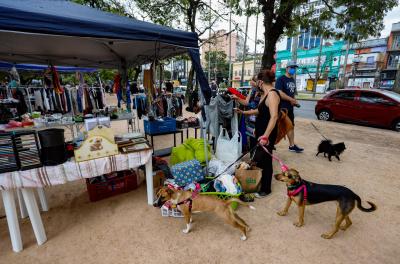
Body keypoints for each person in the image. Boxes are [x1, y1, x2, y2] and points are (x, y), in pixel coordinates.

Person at [235, 70, 280, 198]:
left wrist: (265, 135)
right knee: (259, 159)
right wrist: (244, 113)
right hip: (260, 132)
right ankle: (259, 183)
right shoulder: (265, 94)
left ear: (260, 82)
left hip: (267, 134)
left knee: (266, 160)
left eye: (257, 82)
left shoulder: (272, 94)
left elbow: (274, 116)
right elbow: (259, 112)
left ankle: (266, 189)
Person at [275, 61, 304, 153]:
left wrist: (294, 101)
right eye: (292, 67)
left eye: (294, 68)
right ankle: (269, 143)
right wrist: (290, 100)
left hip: (290, 108)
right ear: (287, 68)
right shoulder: (281, 79)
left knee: (290, 127)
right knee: (277, 127)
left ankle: (292, 145)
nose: (293, 69)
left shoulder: (292, 80)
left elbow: (292, 94)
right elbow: (279, 93)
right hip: (282, 108)